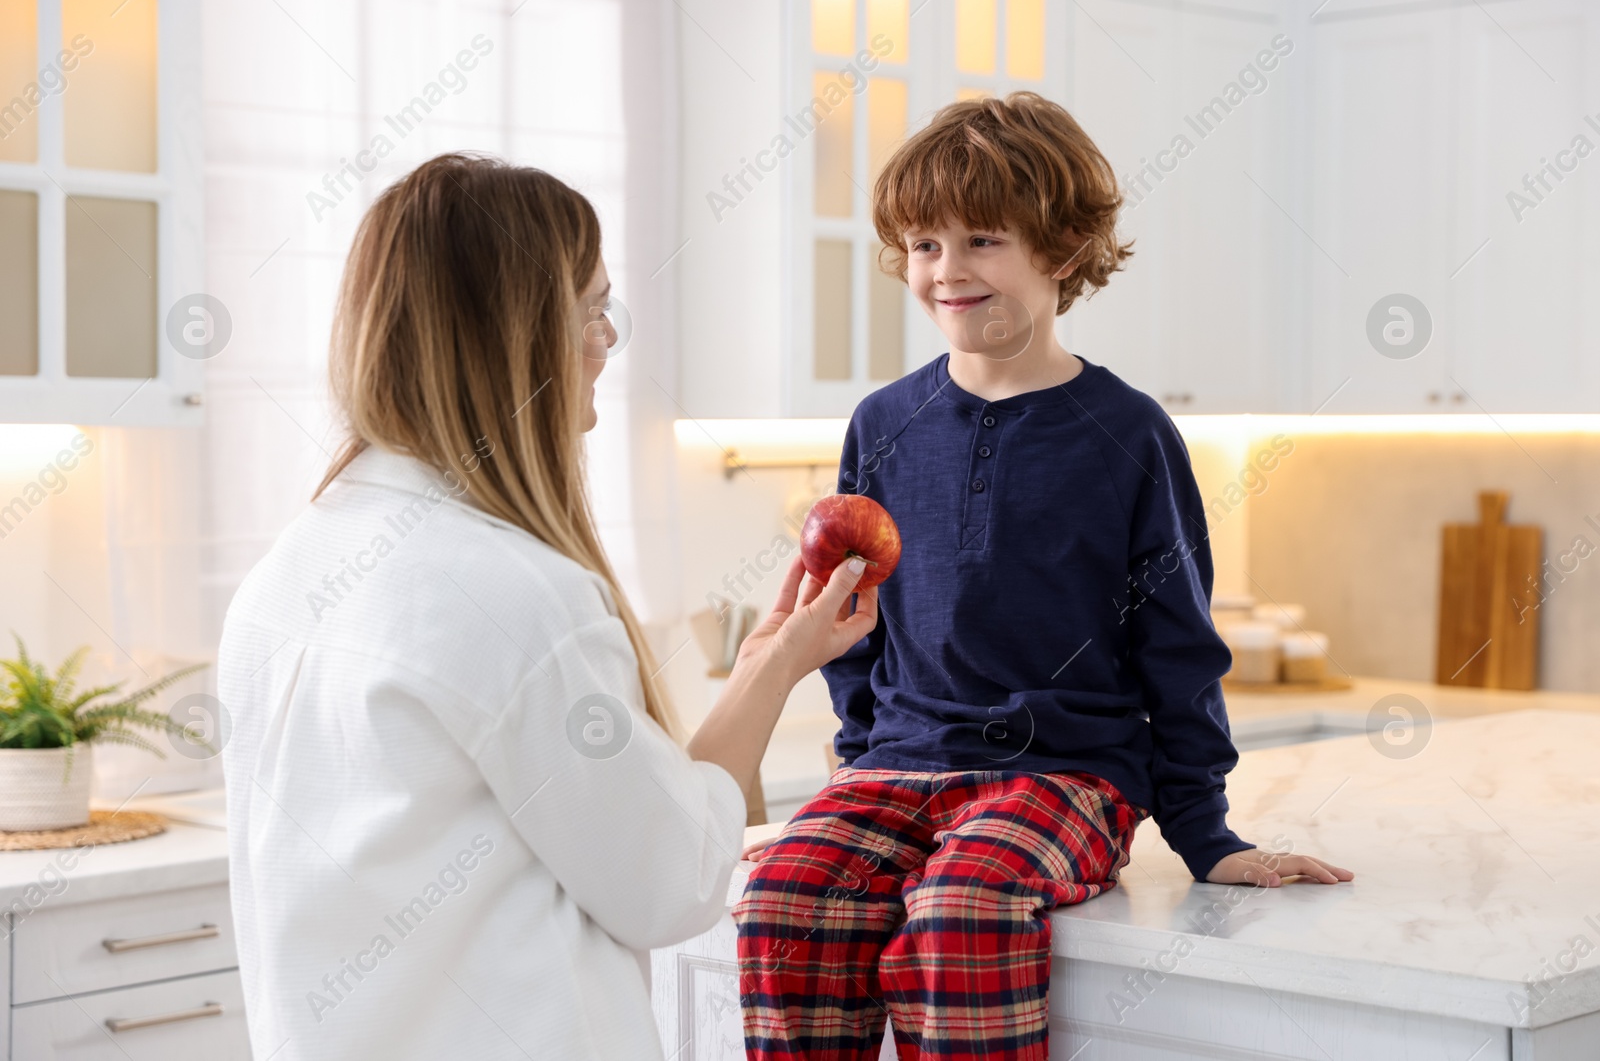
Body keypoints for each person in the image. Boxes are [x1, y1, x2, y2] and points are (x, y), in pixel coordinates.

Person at [216, 153, 878, 1061]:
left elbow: (631, 822)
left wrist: (768, 665)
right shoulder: (513, 595)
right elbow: (671, 882)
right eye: (591, 309)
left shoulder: (290, 569)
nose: (606, 340)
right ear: (516, 335)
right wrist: (775, 671)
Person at [733, 92, 1354, 1060]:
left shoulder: (1131, 432)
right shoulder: (880, 423)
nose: (946, 270)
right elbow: (853, 615)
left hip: (1063, 775)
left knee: (961, 910)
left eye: (982, 239)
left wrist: (1206, 834)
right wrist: (856, 762)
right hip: (897, 763)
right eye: (925, 243)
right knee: (782, 898)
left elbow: (1177, 643)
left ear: (1062, 250)